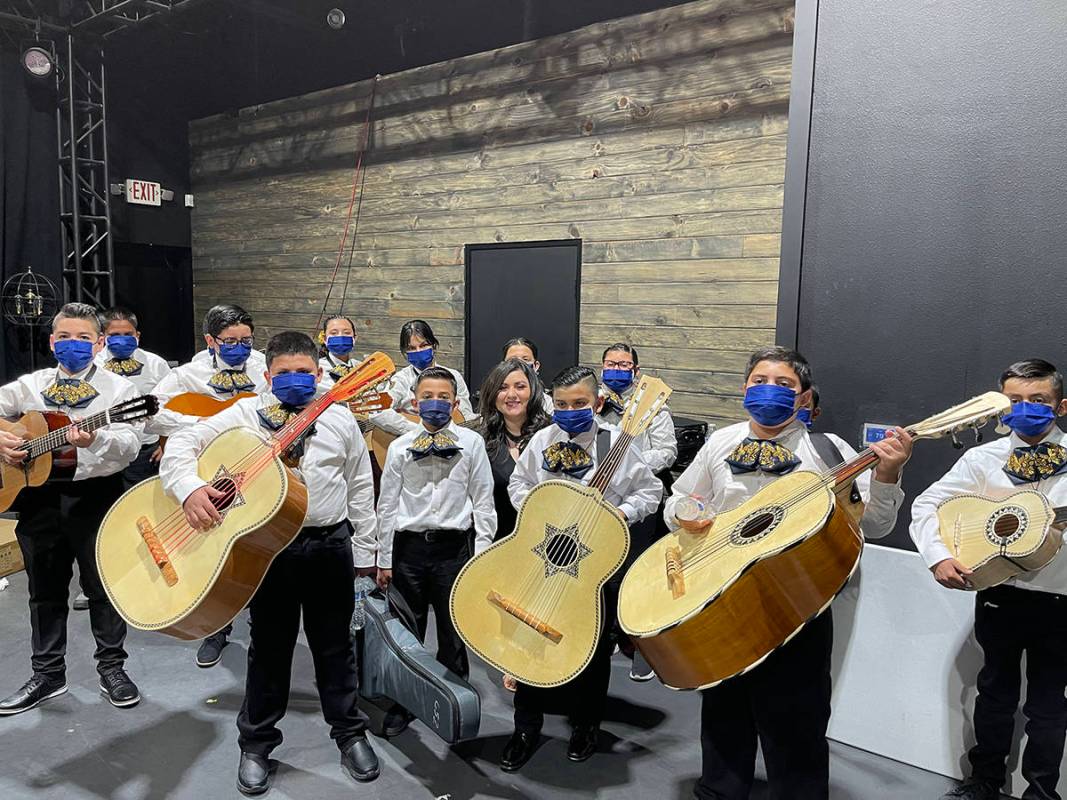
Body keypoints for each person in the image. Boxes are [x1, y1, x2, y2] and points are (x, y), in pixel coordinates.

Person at [663, 345, 913, 800]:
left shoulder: (829, 450)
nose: (769, 390)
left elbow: (873, 525)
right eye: (759, 381)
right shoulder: (721, 442)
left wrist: (889, 475)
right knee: (723, 712)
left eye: (784, 384)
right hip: (725, 599)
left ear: (804, 397)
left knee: (797, 722)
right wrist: (685, 512)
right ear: (744, 388)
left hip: (799, 605)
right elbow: (679, 501)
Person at [159, 331, 381, 795]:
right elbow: (181, 446)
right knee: (269, 650)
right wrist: (189, 489)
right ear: (267, 375)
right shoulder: (242, 415)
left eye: (305, 372)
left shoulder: (339, 419)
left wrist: (365, 556)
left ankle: (350, 734)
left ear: (320, 375)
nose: (295, 379)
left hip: (329, 545)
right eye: (284, 373)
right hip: (268, 550)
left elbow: (361, 487)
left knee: (334, 648)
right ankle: (256, 744)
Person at [910, 359, 1067, 800]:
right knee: (993, 693)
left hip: (1060, 598)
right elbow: (926, 506)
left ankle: (1041, 792)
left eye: (1039, 400)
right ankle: (983, 783)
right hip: (999, 591)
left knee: (1048, 705)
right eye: (1015, 400)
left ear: (1061, 406)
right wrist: (939, 557)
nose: (1026, 408)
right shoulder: (983, 458)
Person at [501, 365, 662, 770]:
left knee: (592, 647)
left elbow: (651, 491)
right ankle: (525, 725)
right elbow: (518, 484)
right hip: (544, 554)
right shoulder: (542, 439)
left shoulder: (617, 444)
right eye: (561, 404)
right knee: (530, 635)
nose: (569, 410)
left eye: (579, 404)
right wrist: (537, 508)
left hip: (596, 563)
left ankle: (587, 724)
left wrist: (618, 513)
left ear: (598, 402)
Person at [0, 303, 142, 715]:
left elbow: (131, 444)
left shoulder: (120, 392)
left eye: (83, 338)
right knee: (43, 590)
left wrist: (92, 441)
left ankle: (112, 668)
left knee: (102, 588)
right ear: (51, 341)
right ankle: (48, 674)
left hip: (96, 496)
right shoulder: (32, 385)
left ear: (99, 344)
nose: (73, 344)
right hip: (37, 498)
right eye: (64, 337)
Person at [375, 365, 496, 736]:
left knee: (453, 630)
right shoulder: (398, 447)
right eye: (427, 396)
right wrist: (383, 558)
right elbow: (387, 505)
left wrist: (482, 555)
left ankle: (454, 698)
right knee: (407, 630)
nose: (435, 403)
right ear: (414, 402)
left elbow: (484, 502)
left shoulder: (472, 444)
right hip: (408, 549)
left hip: (454, 550)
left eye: (443, 397)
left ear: (456, 402)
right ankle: (406, 699)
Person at [147, 303, 269, 668]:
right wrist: (203, 420)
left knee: (260, 539)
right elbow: (150, 411)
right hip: (211, 466)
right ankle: (217, 627)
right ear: (210, 340)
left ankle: (265, 628)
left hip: (257, 461)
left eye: (246, 340)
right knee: (217, 545)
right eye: (230, 341)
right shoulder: (189, 373)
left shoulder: (264, 365)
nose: (240, 347)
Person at [597, 343, 678, 681]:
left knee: (635, 574)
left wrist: (632, 467)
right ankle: (606, 634)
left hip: (639, 501)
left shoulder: (653, 406)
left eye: (624, 364)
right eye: (610, 363)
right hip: (598, 500)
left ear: (636, 370)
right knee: (602, 571)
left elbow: (668, 451)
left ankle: (639, 646)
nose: (616, 369)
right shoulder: (591, 403)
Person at [477, 357, 552, 692]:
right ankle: (514, 661)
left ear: (532, 390)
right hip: (503, 538)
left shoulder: (553, 434)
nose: (512, 394)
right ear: (493, 394)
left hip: (549, 541)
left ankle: (546, 663)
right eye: (504, 387)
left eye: (520, 386)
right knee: (508, 608)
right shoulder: (478, 437)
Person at [94, 306, 172, 487]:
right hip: (104, 450)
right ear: (103, 337)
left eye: (127, 334)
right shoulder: (93, 365)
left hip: (145, 451)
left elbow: (172, 404)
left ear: (137, 335)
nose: (122, 339)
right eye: (115, 335)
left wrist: (166, 443)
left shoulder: (155, 364)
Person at [371, 320, 474, 436]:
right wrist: (417, 430)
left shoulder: (454, 376)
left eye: (424, 345)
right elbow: (377, 410)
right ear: (405, 353)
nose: (418, 351)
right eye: (412, 348)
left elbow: (466, 416)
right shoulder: (401, 379)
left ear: (434, 345)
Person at [502, 336, 554, 414]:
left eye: (525, 359)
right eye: (512, 360)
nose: (519, 364)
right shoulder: (497, 397)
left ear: (536, 366)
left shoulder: (547, 403)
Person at [318, 314, 363, 390]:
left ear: (354, 338)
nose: (340, 337)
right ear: (325, 339)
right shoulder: (315, 368)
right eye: (334, 333)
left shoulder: (362, 367)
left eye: (347, 333)